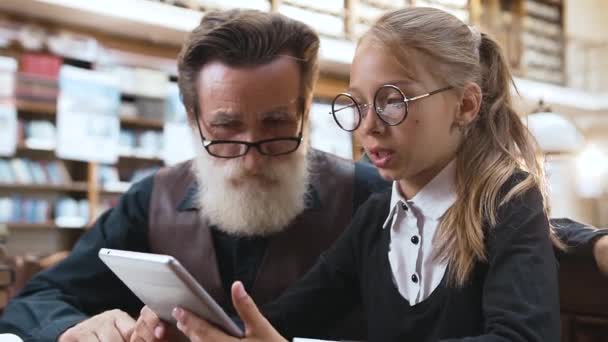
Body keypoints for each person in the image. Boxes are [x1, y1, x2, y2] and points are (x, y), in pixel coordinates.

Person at [0, 8, 606, 342]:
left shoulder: (372, 193)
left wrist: (593, 240)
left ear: (305, 113)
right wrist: (82, 331)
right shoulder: (150, 200)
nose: (254, 153)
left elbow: (490, 214)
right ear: (193, 121)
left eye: (275, 127)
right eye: (227, 130)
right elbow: (37, 301)